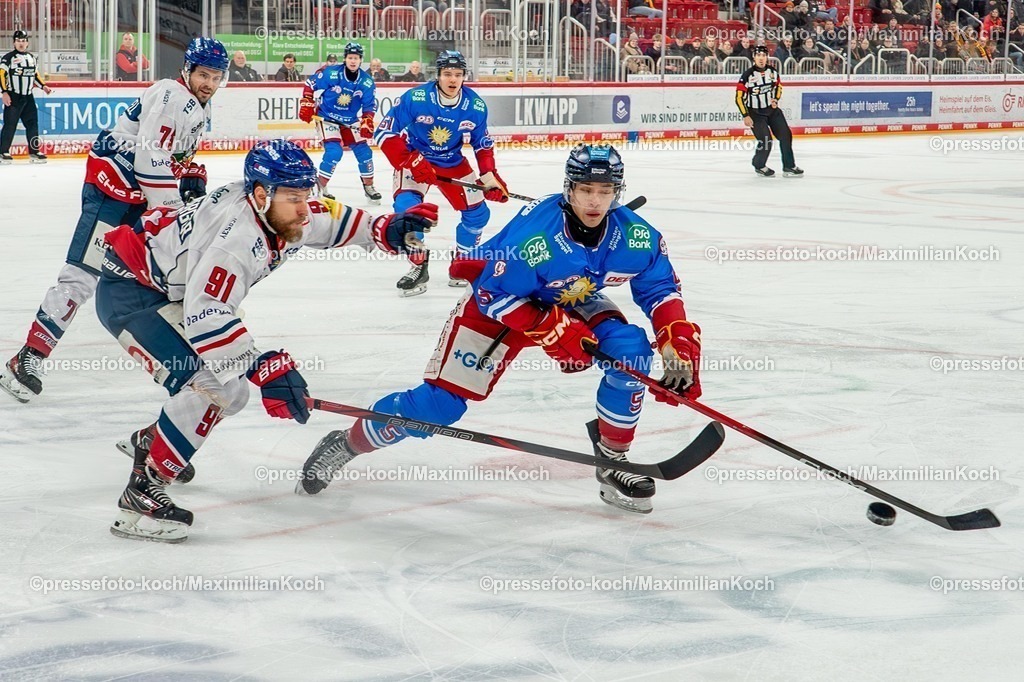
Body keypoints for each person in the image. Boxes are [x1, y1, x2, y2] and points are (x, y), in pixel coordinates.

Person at [297, 144, 703, 515]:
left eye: (605, 190)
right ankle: (347, 443)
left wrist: (676, 341)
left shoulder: (635, 235)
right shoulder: (536, 239)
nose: (595, 201)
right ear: (569, 189)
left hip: (569, 297)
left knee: (630, 353)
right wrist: (551, 330)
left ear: (618, 190)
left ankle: (612, 457)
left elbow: (660, 288)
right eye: (585, 190)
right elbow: (493, 295)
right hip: (500, 305)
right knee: (438, 408)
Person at [95, 140, 438, 543]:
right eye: (294, 197)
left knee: (230, 389)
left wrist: (383, 229)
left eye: (306, 195)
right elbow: (206, 312)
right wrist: (259, 366)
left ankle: (152, 441)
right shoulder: (236, 237)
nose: (303, 207)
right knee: (221, 386)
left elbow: (330, 220)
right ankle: (142, 492)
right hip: (131, 294)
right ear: (260, 194)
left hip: (170, 292)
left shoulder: (279, 206)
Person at [0, 37, 228, 403]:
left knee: (148, 280)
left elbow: (169, 156)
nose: (210, 84)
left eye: (217, 77)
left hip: (133, 197)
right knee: (81, 276)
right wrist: (171, 212)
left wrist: (189, 175)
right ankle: (27, 357)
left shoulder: (194, 105)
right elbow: (149, 161)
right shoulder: (175, 96)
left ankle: (178, 362)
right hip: (112, 192)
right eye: (204, 75)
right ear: (187, 70)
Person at [374, 50, 508, 296]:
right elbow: (384, 132)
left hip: (451, 161)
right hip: (416, 157)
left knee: (478, 215)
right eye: (447, 74)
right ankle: (418, 265)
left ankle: (462, 264)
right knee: (406, 209)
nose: (453, 79)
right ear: (438, 75)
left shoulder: (475, 106)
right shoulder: (416, 98)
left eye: (458, 74)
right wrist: (409, 160)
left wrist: (489, 177)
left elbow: (483, 144)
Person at [298, 42, 381, 204]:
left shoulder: (366, 82)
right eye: (350, 57)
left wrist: (367, 119)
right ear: (345, 58)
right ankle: (319, 188)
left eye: (356, 58)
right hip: (327, 117)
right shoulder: (332, 73)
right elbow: (310, 84)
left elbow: (369, 104)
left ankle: (369, 187)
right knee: (334, 152)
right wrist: (307, 102)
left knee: (365, 153)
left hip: (349, 120)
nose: (353, 61)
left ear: (360, 60)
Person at [736, 45, 802, 177]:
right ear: (754, 57)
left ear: (767, 57)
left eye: (763, 55)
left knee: (786, 136)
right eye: (758, 55)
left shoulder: (772, 71)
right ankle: (759, 164)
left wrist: (775, 99)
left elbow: (778, 87)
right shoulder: (747, 75)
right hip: (755, 113)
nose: (761, 58)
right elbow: (738, 97)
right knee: (766, 140)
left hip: (772, 110)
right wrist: (745, 115)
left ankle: (789, 166)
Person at [0, 30, 51, 164]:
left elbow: (35, 74)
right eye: (18, 41)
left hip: (28, 97)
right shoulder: (8, 58)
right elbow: (1, 75)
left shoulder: (32, 58)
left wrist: (43, 86)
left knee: (33, 124)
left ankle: (34, 152)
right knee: (10, 125)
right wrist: (4, 92)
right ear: (14, 43)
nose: (21, 44)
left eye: (23, 41)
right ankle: (3, 152)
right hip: (14, 96)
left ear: (27, 43)